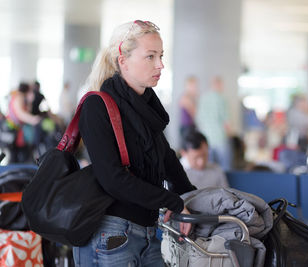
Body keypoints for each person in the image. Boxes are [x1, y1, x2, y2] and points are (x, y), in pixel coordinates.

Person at [74, 20, 196, 267]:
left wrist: (190, 196)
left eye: (161, 56)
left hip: (149, 231)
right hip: (112, 234)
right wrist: (174, 201)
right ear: (123, 60)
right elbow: (113, 179)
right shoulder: (98, 106)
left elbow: (167, 159)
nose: (160, 65)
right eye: (150, 57)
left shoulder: (147, 109)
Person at [196, 76, 232, 170]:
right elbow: (226, 120)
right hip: (220, 137)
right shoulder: (221, 99)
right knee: (225, 167)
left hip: (206, 138)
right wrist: (230, 134)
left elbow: (199, 119)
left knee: (209, 167)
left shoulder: (203, 98)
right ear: (219, 84)